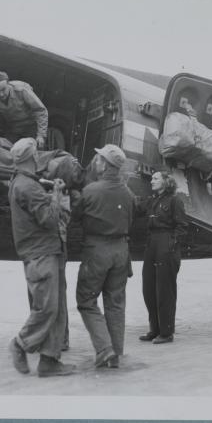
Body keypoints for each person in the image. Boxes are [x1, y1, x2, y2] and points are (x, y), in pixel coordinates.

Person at [6, 138, 75, 377]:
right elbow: (48, 219)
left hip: (44, 251)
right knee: (46, 308)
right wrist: (56, 194)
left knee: (54, 308)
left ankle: (49, 360)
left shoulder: (20, 182)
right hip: (41, 252)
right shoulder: (28, 186)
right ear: (33, 157)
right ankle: (20, 343)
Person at [72, 144, 134, 368]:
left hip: (97, 251)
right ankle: (115, 354)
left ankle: (104, 349)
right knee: (116, 302)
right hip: (121, 251)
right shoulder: (128, 193)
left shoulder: (90, 191)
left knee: (86, 300)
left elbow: (74, 217)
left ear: (105, 165)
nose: (95, 161)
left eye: (98, 159)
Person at [138, 171, 187, 344]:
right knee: (148, 288)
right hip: (152, 244)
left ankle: (166, 333)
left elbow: (182, 226)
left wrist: (171, 245)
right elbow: (137, 207)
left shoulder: (175, 200)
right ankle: (155, 329)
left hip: (166, 244)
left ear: (166, 182)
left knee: (164, 290)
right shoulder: (152, 200)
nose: (151, 181)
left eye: (156, 178)